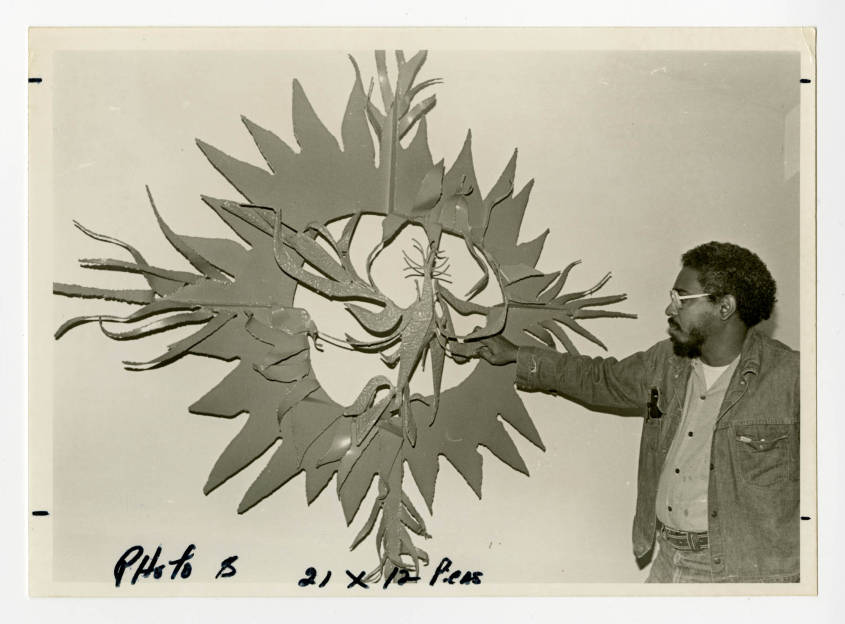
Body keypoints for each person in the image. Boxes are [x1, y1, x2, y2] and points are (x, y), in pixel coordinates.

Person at [476, 241, 800, 583]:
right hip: (669, 559)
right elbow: (600, 379)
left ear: (725, 307)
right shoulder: (667, 363)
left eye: (681, 298)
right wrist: (517, 355)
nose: (668, 309)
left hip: (740, 577)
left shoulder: (795, 379)